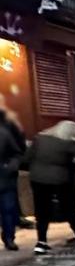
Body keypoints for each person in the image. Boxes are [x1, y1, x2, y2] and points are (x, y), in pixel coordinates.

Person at [24, 120, 75, 254]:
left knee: (41, 211)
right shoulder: (71, 143)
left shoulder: (40, 138)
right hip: (61, 180)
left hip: (38, 179)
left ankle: (41, 243)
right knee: (71, 209)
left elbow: (27, 158)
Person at [0, 97, 25, 250]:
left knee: (7, 209)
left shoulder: (4, 132)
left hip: (4, 176)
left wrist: (11, 167)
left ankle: (9, 237)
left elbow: (17, 152)